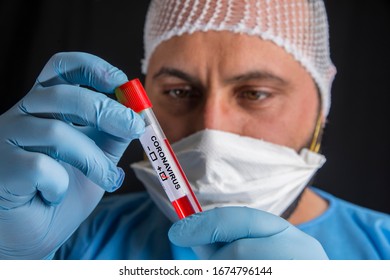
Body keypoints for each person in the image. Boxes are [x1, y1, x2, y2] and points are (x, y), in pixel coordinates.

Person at [0, 0, 389, 260]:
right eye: (179, 91)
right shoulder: (68, 243)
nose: (211, 133)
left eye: (255, 93)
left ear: (324, 100)